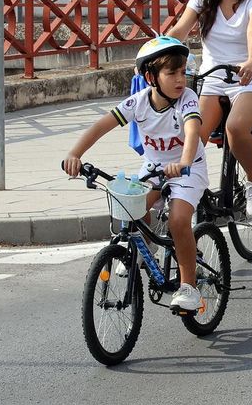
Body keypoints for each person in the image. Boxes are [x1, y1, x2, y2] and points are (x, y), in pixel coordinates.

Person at [61, 37, 208, 313]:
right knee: (131, 208)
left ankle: (189, 286)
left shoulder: (187, 100)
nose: (180, 80)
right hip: (154, 168)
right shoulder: (138, 103)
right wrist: (75, 154)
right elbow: (100, 126)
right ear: (151, 77)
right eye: (171, 73)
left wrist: (184, 162)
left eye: (182, 72)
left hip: (188, 169)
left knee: (178, 221)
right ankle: (146, 248)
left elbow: (192, 132)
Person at [163, 0, 252, 219]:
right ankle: (193, 188)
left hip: (251, 77)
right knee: (191, 136)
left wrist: (251, 60)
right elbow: (181, 28)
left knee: (236, 128)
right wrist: (156, 48)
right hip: (213, 78)